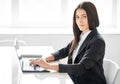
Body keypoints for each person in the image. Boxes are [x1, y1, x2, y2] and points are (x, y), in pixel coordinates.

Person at [30, 1, 107, 84]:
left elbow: (81, 68)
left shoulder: (97, 41)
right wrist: (44, 59)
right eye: (77, 17)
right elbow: (64, 51)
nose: (79, 21)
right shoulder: (82, 35)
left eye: (84, 16)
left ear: (92, 17)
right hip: (75, 80)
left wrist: (48, 66)